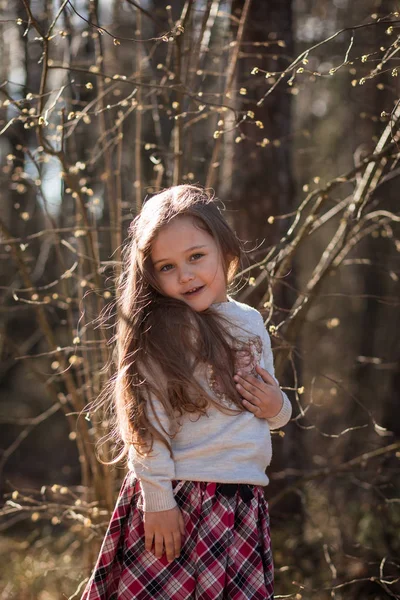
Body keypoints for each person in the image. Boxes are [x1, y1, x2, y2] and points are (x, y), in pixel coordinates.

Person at [82, 185, 292, 600]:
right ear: (151, 275)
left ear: (225, 250)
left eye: (196, 257)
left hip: (241, 502)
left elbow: (269, 408)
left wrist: (278, 406)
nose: (185, 275)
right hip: (180, 498)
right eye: (167, 266)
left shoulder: (250, 322)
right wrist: (157, 501)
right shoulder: (163, 332)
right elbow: (144, 423)